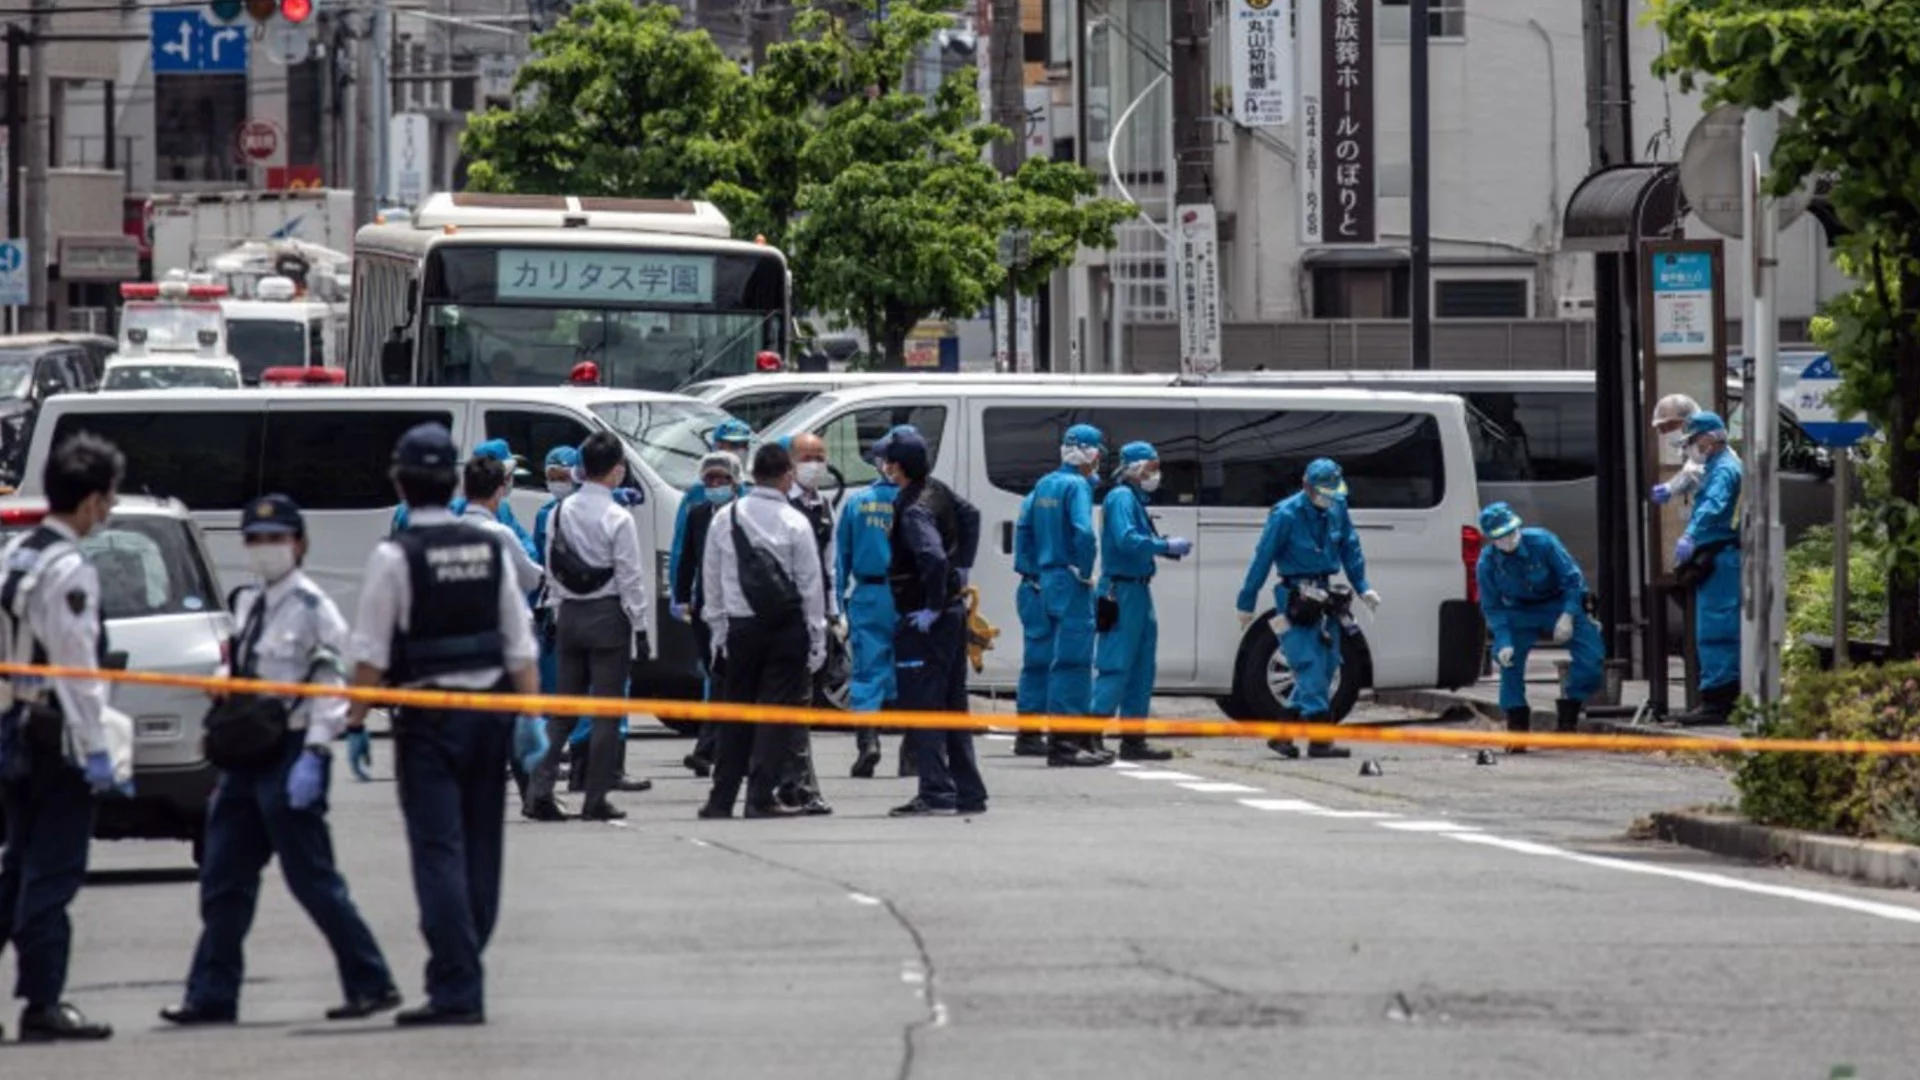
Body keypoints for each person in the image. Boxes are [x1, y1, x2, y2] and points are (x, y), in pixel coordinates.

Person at [161, 495, 401, 1026]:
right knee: (223, 879)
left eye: (277, 538)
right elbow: (245, 672)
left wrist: (316, 754)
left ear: (299, 543)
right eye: (256, 539)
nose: (266, 549)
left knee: (313, 880)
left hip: (292, 754)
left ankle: (371, 981)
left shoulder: (315, 609)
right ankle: (212, 995)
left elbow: (329, 687)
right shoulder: (249, 605)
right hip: (245, 759)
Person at [346, 422, 539, 1026]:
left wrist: (353, 721)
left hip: (427, 722)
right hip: (490, 720)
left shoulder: (394, 556)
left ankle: (458, 983)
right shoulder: (490, 545)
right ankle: (463, 965)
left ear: (401, 483)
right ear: (451, 480)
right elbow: (521, 646)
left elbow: (371, 655)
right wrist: (529, 719)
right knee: (482, 850)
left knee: (438, 853)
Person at [0, 432, 123, 1042]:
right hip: (55, 734)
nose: (110, 509)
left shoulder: (18, 552)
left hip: (13, 726)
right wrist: (98, 750)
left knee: (17, 867)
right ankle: (42, 1002)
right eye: (109, 498)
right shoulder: (70, 567)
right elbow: (77, 669)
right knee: (53, 871)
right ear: (92, 501)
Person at [525, 431, 651, 821]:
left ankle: (538, 791)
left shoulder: (560, 511)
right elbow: (630, 577)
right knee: (606, 712)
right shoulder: (618, 516)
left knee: (563, 711)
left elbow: (551, 565)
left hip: (571, 617)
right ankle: (595, 798)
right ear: (616, 470)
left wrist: (558, 607)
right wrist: (642, 627)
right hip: (609, 616)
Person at [698, 443, 826, 819]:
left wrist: (718, 630)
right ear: (787, 475)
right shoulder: (795, 522)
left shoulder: (726, 517)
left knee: (734, 715)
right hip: (785, 630)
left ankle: (721, 798)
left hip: (740, 629)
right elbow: (810, 586)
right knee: (774, 718)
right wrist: (817, 639)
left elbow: (712, 579)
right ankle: (759, 796)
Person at [1234, 458, 1380, 760]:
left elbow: (1350, 547)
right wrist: (1245, 602)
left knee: (1327, 665)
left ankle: (1283, 734)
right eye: (1323, 492)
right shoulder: (1285, 515)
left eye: (1333, 491)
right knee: (1308, 665)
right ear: (1306, 486)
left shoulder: (1338, 507)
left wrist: (1363, 586)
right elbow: (1262, 558)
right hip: (1295, 598)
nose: (1329, 498)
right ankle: (1321, 740)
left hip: (1326, 595)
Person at [882, 430, 988, 817]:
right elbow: (971, 515)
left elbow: (932, 557)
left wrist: (932, 604)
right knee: (952, 705)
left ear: (896, 467)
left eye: (887, 460)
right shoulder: (938, 489)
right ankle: (968, 791)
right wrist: (963, 568)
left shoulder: (913, 509)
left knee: (924, 705)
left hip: (927, 621)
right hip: (952, 614)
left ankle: (936, 792)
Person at [1090, 442, 1192, 762]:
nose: (1155, 475)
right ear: (1134, 467)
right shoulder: (1121, 497)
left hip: (1137, 590)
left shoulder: (1133, 499)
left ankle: (1134, 738)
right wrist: (1164, 546)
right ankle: (1090, 731)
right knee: (1116, 663)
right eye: (1150, 468)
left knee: (1141, 667)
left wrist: (1162, 548)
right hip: (1122, 590)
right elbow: (1127, 539)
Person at [1474, 501, 1605, 749]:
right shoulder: (1487, 563)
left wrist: (1568, 615)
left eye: (1512, 532)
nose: (1510, 540)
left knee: (1591, 658)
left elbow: (1572, 580)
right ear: (1492, 540)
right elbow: (1492, 606)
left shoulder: (1543, 542)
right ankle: (1517, 728)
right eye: (1502, 537)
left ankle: (1569, 715)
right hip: (1518, 610)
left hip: (1559, 602)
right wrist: (1502, 640)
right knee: (1508, 662)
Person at [1016, 423, 1108, 767]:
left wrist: (1032, 571)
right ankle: (1066, 744)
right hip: (1070, 581)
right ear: (1091, 452)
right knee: (1074, 660)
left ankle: (1032, 732)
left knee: (1040, 657)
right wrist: (1085, 572)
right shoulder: (1077, 486)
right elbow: (1084, 533)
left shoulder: (1043, 485)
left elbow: (1024, 530)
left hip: (1042, 581)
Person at [672, 452, 746, 779]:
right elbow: (687, 558)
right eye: (710, 480)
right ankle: (716, 749)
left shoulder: (745, 514)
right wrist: (680, 597)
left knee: (724, 678)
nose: (715, 485)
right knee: (719, 676)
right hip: (705, 607)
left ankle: (707, 750)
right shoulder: (699, 513)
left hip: (739, 606)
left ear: (736, 481)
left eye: (722, 479)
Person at [775, 432, 837, 814]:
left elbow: (828, 568)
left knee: (800, 706)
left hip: (812, 618)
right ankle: (794, 785)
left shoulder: (824, 506)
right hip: (780, 616)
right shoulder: (777, 507)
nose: (814, 463)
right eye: (806, 456)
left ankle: (795, 784)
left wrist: (832, 616)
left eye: (820, 456)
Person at [1673, 410, 1743, 725]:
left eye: (1692, 440)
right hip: (1717, 556)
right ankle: (1719, 696)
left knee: (1717, 628)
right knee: (1715, 625)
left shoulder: (1725, 469)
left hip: (1720, 556)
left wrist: (1690, 534)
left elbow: (1714, 506)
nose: (1690, 447)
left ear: (1710, 438)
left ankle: (1718, 700)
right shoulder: (1717, 465)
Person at [837, 437, 901, 778]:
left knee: (866, 670)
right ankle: (914, 754)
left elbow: (841, 560)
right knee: (914, 669)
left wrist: (837, 608)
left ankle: (868, 742)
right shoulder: (923, 499)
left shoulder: (857, 502)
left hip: (869, 594)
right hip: (910, 597)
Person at [1648, 393, 1707, 505]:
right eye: (1662, 428)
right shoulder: (1691, 448)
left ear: (1691, 422)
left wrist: (1672, 488)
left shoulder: (1706, 448)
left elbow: (1698, 472)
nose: (1667, 432)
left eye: (1671, 426)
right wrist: (1670, 487)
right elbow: (1690, 472)